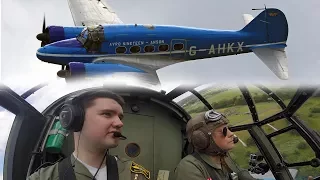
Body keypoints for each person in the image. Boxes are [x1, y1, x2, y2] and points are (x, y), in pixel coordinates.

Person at [28, 89, 151, 180]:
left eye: (120, 117)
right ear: (76, 119)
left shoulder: (134, 174)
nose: (120, 123)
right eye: (107, 114)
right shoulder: (43, 178)